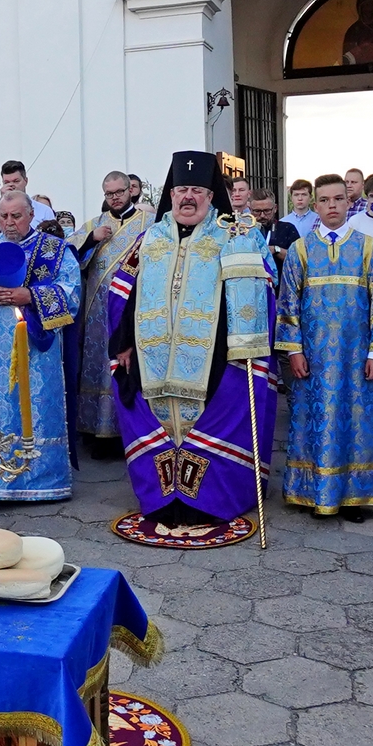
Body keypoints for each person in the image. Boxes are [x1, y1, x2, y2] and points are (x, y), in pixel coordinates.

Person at [106, 151, 276, 529]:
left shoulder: (234, 234)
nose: (188, 197)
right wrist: (124, 343)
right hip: (155, 357)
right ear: (171, 194)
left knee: (209, 422)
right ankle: (165, 498)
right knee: (164, 426)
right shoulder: (151, 237)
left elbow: (264, 287)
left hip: (216, 356)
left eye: (197, 190)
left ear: (211, 196)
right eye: (182, 189)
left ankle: (209, 499)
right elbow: (125, 292)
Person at [277, 173, 373, 519]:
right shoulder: (301, 249)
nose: (332, 206)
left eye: (339, 199)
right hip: (312, 359)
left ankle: (354, 496)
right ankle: (314, 491)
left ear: (349, 202)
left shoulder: (368, 246)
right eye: (325, 200)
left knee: (356, 423)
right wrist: (294, 350)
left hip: (356, 357)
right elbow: (288, 304)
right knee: (313, 421)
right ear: (315, 205)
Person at [0, 190, 81, 500]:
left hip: (40, 350)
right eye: (4, 216)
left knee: (38, 406)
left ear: (31, 216)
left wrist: (31, 296)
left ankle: (44, 481)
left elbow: (72, 292)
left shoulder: (55, 249)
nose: (9, 223)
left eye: (16, 216)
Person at [73, 171, 147, 456]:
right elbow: (69, 257)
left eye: (119, 191)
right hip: (97, 313)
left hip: (132, 309)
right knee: (98, 366)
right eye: (109, 193)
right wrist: (91, 239)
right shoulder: (95, 224)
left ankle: (128, 432)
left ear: (131, 190)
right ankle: (96, 432)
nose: (114, 197)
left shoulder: (149, 224)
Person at [0, 160, 57, 228]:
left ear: (26, 181)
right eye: (7, 182)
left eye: (16, 181)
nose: (12, 185)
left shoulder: (44, 210)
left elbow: (53, 236)